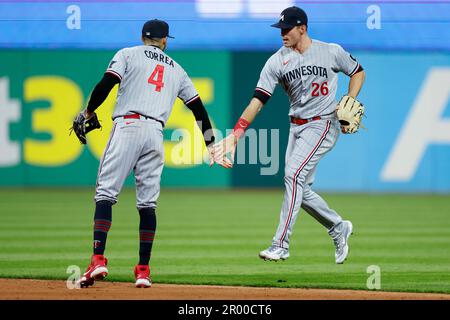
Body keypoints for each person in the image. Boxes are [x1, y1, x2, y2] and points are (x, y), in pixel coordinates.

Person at [76, 19, 225, 288]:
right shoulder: (177, 69)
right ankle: (143, 270)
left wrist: (88, 111)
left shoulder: (127, 54)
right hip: (155, 134)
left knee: (106, 194)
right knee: (147, 204)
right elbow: (198, 108)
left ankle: (98, 259)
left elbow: (107, 83)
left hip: (128, 125)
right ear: (165, 40)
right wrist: (212, 145)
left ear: (142, 37)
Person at [214, 6, 366, 264]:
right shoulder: (276, 61)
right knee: (300, 187)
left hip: (323, 123)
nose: (282, 33)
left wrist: (350, 98)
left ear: (302, 28)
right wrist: (235, 135)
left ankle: (280, 245)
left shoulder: (330, 51)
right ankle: (338, 226)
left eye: (287, 29)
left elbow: (358, 72)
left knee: (293, 175)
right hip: (296, 127)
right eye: (280, 29)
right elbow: (257, 101)